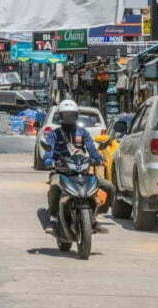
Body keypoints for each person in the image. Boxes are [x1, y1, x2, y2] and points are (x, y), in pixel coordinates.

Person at [42, 100, 114, 234]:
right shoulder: (54, 134)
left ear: (76, 116)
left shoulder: (83, 133)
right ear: (61, 116)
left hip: (82, 171)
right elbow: (49, 150)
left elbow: (92, 149)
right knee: (54, 187)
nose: (68, 118)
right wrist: (49, 160)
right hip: (61, 171)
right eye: (65, 115)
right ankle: (53, 217)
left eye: (71, 115)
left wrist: (99, 159)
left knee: (108, 186)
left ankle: (95, 216)